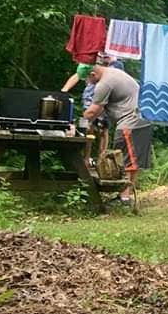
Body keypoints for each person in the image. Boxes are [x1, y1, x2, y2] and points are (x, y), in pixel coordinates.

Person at [82, 63, 152, 203]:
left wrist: (79, 121)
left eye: (87, 80)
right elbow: (102, 109)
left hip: (131, 122)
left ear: (93, 74)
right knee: (132, 160)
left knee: (125, 159)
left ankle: (124, 197)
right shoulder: (114, 73)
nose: (88, 83)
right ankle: (126, 194)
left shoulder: (104, 83)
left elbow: (92, 111)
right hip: (142, 118)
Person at [61, 54, 124, 163]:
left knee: (103, 129)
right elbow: (78, 74)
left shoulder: (116, 62)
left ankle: (101, 159)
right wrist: (64, 90)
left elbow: (116, 76)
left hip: (105, 98)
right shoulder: (91, 57)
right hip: (89, 98)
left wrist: (110, 61)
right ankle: (85, 159)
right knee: (87, 127)